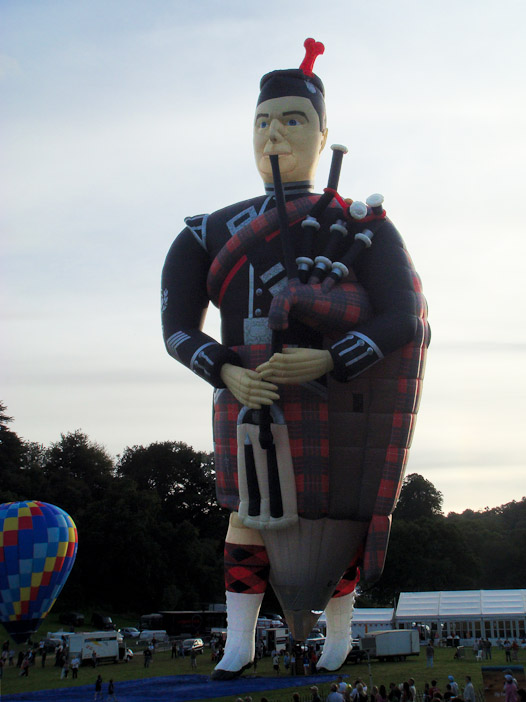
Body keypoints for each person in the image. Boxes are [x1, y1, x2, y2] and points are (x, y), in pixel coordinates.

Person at [162, 37, 428, 680]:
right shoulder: (205, 232)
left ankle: (336, 635)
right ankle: (240, 643)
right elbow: (174, 331)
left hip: (331, 405)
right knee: (244, 518)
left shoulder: (364, 226)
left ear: (322, 132)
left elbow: (405, 317)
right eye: (262, 120)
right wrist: (224, 370)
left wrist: (328, 359)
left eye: (292, 119)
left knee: (336, 524)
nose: (274, 133)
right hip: (244, 401)